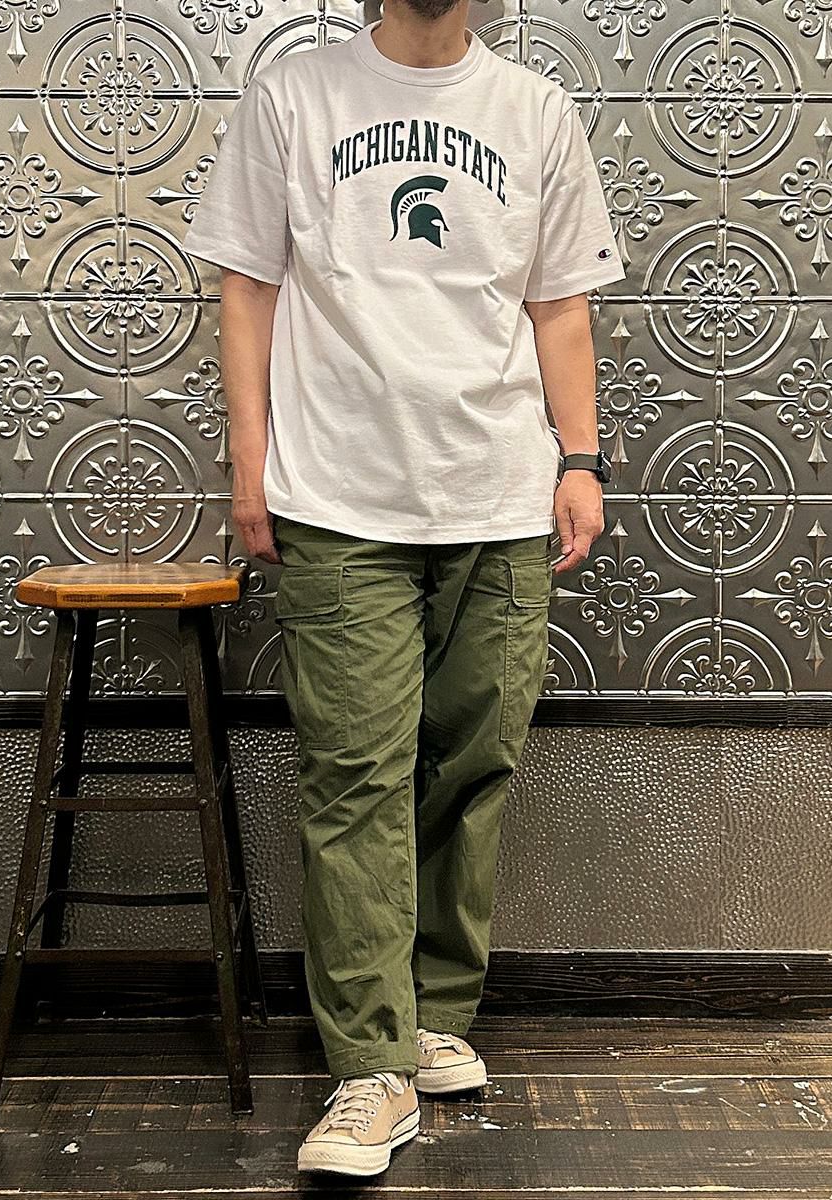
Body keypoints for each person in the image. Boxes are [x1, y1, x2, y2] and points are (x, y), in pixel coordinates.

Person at [182, 0, 623, 1177]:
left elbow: (560, 305)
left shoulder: (535, 110)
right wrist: (250, 466)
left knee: (475, 763)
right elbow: (246, 288)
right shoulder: (294, 95)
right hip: (340, 497)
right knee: (356, 772)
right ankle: (369, 1066)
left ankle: (431, 1016)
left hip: (501, 495)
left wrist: (580, 459)